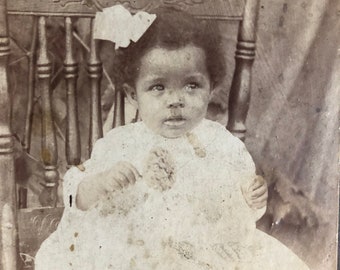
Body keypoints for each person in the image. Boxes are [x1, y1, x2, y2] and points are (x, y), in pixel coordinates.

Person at [35, 6, 309, 270]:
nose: (176, 100)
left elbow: (238, 214)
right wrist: (99, 184)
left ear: (211, 88)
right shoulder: (120, 143)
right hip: (135, 249)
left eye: (192, 85)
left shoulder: (221, 144)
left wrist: (252, 197)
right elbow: (76, 196)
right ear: (133, 95)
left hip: (202, 250)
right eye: (158, 87)